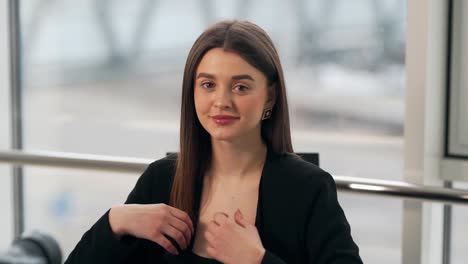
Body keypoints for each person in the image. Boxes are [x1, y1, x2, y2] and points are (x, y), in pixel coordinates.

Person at [65, 20, 363, 264]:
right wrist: (116, 221)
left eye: (240, 87)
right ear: (192, 92)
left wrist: (257, 261)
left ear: (270, 97)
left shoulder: (308, 188)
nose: (221, 101)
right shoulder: (161, 179)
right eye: (208, 85)